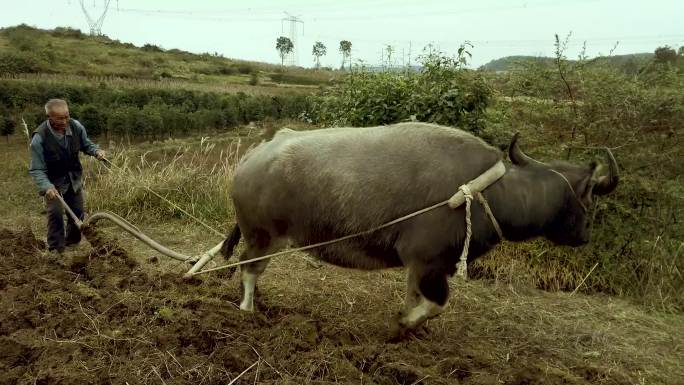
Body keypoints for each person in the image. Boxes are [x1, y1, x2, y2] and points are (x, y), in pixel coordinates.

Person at [29, 99, 106, 254]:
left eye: (67, 116)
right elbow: (37, 169)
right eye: (59, 118)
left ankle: (72, 243)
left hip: (73, 177)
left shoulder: (76, 126)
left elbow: (87, 145)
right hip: (53, 182)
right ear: (49, 117)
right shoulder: (39, 138)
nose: (64, 121)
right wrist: (47, 186)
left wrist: (97, 151)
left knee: (77, 211)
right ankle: (56, 249)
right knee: (55, 213)